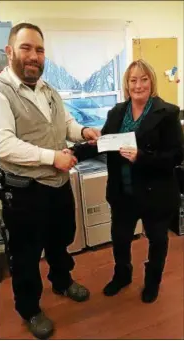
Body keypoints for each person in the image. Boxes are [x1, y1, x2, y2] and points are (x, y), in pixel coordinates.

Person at [0, 23, 101, 339]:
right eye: (26, 47)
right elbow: (2, 143)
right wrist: (51, 157)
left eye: (40, 49)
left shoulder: (48, 89)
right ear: (10, 51)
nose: (34, 55)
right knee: (27, 255)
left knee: (60, 239)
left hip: (58, 186)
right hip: (25, 192)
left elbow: (65, 123)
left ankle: (61, 280)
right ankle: (30, 309)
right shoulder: (1, 93)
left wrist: (82, 131)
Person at [71, 59, 184, 304]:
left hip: (156, 193)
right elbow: (104, 143)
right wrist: (74, 153)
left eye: (144, 79)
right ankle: (122, 276)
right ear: (127, 84)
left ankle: (152, 282)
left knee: (157, 240)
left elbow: (177, 155)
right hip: (123, 191)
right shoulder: (117, 112)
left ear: (151, 82)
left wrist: (142, 157)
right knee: (120, 239)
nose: (138, 85)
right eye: (133, 80)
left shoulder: (168, 113)